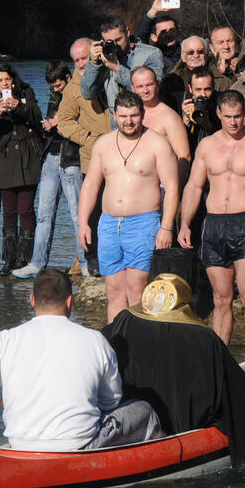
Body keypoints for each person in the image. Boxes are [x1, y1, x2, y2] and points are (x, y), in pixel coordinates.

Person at [0, 268, 164, 451]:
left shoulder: (5, 340)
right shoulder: (96, 340)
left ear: (32, 300)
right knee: (143, 410)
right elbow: (111, 401)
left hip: (22, 444)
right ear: (70, 302)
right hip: (78, 446)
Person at [101, 273, 245, 468]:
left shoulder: (123, 323)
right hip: (186, 431)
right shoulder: (205, 338)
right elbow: (238, 398)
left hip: (129, 428)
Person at [177, 91, 245, 348]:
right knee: (221, 299)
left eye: (238, 116)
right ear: (218, 114)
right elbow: (193, 187)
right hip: (214, 225)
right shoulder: (207, 146)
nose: (234, 122)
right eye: (228, 117)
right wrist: (183, 224)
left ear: (244, 111)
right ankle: (220, 356)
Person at [78, 91, 180, 322]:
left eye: (134, 115)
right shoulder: (103, 144)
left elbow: (172, 188)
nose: (129, 121)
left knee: (137, 290)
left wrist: (166, 228)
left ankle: (139, 347)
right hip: (108, 224)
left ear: (142, 115)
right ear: (114, 115)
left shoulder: (157, 143)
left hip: (143, 223)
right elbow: (91, 185)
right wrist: (83, 222)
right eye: (123, 116)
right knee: (114, 291)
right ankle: (117, 347)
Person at [13, 61, 88, 279]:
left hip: (71, 158)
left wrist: (57, 123)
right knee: (44, 215)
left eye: (57, 85)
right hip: (50, 157)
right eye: (52, 87)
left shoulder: (80, 90)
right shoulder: (54, 94)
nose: (55, 89)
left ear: (67, 77)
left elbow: (85, 121)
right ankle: (37, 263)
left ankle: (84, 263)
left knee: (77, 215)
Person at [0, 63, 43, 275]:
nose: (5, 82)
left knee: (25, 209)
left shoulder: (26, 92)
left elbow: (37, 117)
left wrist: (19, 107)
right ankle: (8, 260)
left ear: (13, 78)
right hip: (5, 159)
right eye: (0, 80)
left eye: (7, 79)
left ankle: (24, 260)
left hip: (28, 157)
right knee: (9, 212)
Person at [58, 38, 111, 278]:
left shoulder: (109, 74)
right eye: (77, 60)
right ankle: (92, 260)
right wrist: (89, 139)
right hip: (92, 158)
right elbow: (64, 123)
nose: (81, 63)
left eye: (85, 57)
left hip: (122, 152)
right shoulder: (71, 89)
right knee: (93, 211)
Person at [80, 18, 164, 115]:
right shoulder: (103, 58)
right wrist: (94, 64)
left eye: (118, 40)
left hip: (146, 115)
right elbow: (88, 94)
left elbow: (155, 89)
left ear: (127, 32)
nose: (116, 45)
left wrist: (117, 69)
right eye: (110, 41)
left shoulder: (151, 53)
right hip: (116, 121)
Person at [130, 65, 191, 181]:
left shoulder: (170, 118)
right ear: (133, 88)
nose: (145, 90)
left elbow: (184, 157)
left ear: (157, 84)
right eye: (140, 86)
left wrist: (175, 190)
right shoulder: (129, 116)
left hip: (161, 185)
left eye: (149, 85)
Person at [160, 35, 231, 112]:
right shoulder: (170, 82)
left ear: (206, 55)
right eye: (190, 52)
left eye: (200, 51)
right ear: (183, 57)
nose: (196, 55)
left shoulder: (224, 82)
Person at [134, 0, 181, 71]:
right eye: (163, 32)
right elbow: (138, 39)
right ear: (153, 37)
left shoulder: (187, 52)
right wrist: (154, 10)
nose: (168, 34)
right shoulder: (150, 55)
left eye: (172, 31)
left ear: (177, 32)